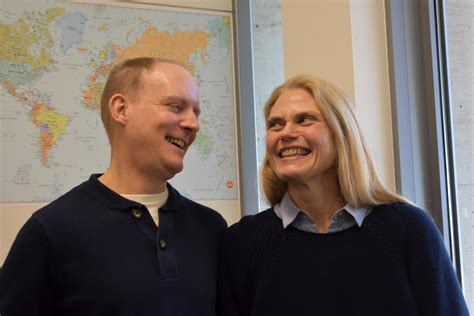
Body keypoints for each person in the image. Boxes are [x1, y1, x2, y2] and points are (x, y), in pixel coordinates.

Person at [217, 75, 469, 316]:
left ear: (342, 135)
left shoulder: (409, 230)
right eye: (276, 124)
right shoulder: (243, 242)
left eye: (304, 120)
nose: (286, 133)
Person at [0, 57, 227, 315]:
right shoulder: (50, 232)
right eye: (176, 107)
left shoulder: (211, 229)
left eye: (196, 113)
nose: (193, 124)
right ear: (121, 109)